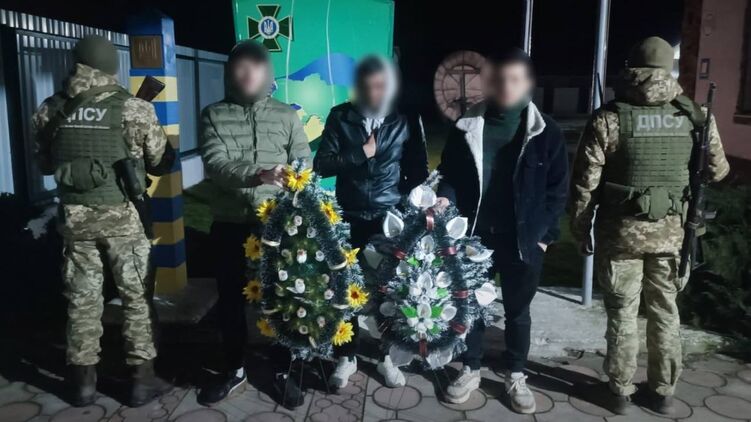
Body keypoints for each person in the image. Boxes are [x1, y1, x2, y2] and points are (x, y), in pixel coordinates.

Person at [569, 36, 729, 416]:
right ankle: (663, 392)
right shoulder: (695, 117)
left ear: (631, 69)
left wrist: (580, 228)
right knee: (665, 313)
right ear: (668, 69)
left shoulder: (609, 117)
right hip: (673, 236)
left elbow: (585, 185)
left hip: (620, 235)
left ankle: (619, 392)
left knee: (623, 313)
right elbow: (719, 171)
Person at [33, 35, 174, 408]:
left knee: (82, 300)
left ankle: (82, 384)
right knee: (136, 299)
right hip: (124, 221)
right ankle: (142, 380)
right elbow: (161, 161)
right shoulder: (133, 108)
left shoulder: (51, 109)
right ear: (112, 66)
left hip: (75, 222)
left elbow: (45, 164)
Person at [434, 48, 568, 414]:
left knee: (517, 312)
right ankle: (470, 368)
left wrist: (543, 237)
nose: (507, 86)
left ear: (528, 84)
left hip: (523, 240)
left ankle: (516, 373)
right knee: (472, 307)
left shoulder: (546, 131)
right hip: (475, 236)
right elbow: (450, 173)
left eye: (515, 79)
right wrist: (445, 198)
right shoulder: (467, 125)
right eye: (500, 79)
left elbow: (558, 190)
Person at [197, 40, 311, 408]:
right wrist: (259, 174)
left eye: (256, 66)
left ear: (267, 71)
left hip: (276, 224)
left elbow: (304, 158)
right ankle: (234, 368)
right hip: (229, 222)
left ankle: (281, 369)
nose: (248, 73)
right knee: (230, 300)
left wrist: (295, 176)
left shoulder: (286, 115)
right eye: (240, 66)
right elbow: (216, 164)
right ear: (230, 71)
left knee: (281, 297)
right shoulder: (213, 115)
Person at [313, 55, 429, 389]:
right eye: (367, 86)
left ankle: (386, 356)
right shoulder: (340, 116)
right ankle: (346, 356)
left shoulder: (405, 120)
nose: (373, 92)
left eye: (380, 86)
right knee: (345, 287)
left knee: (388, 291)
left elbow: (418, 170)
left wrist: (402, 202)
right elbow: (322, 164)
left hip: (386, 219)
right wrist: (361, 153)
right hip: (347, 215)